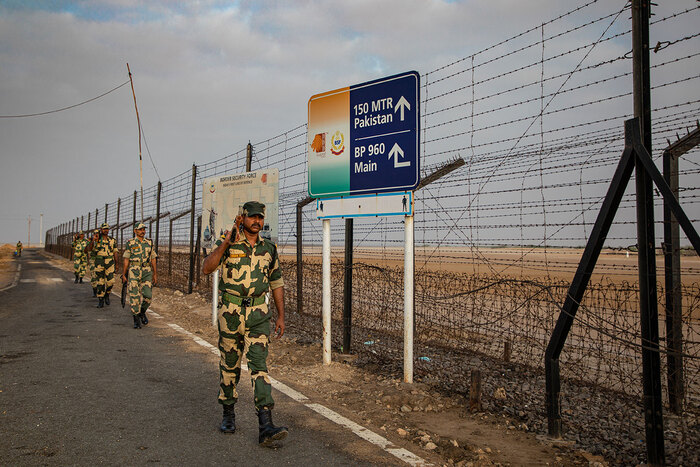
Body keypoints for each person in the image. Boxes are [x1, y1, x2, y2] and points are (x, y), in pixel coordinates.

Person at [202, 200, 288, 445]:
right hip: (230, 313)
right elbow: (207, 268)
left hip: (258, 315)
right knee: (230, 365)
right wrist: (226, 242)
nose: (257, 222)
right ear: (243, 218)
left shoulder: (269, 249)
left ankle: (266, 425)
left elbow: (277, 283)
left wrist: (281, 315)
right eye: (252, 217)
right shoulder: (228, 244)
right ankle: (228, 413)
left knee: (259, 366)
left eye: (260, 217)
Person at [121, 222, 158, 329]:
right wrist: (124, 274)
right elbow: (126, 259)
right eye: (140, 229)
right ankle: (136, 319)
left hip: (146, 271)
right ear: (135, 231)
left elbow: (153, 259)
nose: (143, 231)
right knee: (134, 295)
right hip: (134, 270)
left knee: (148, 296)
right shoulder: (130, 243)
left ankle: (142, 312)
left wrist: (155, 274)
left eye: (144, 229)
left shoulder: (149, 243)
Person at [89, 223, 118, 308]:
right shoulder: (97, 239)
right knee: (100, 282)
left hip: (109, 262)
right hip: (99, 262)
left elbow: (115, 252)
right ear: (101, 230)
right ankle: (100, 299)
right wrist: (93, 240)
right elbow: (88, 249)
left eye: (107, 229)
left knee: (111, 281)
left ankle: (107, 294)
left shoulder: (112, 240)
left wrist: (117, 263)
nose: (106, 230)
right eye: (104, 229)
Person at [88, 230, 99, 297]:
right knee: (94, 276)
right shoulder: (91, 242)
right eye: (95, 234)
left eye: (97, 234)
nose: (96, 235)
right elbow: (89, 249)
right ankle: (95, 291)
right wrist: (93, 240)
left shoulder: (102, 241)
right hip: (93, 261)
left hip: (101, 261)